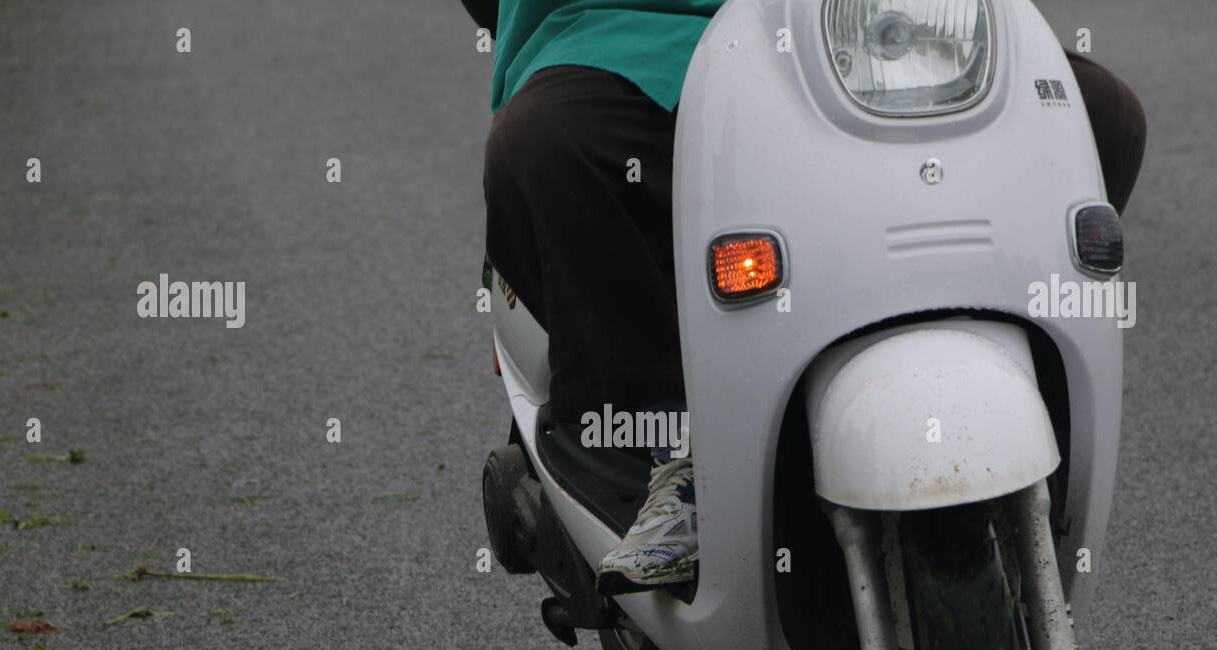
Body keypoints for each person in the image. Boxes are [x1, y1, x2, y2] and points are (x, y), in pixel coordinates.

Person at [465, 0, 1147, 595]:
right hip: (644, 31)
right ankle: (664, 453)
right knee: (547, 149)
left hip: (871, 29)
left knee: (1099, 116)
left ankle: (1001, 369)